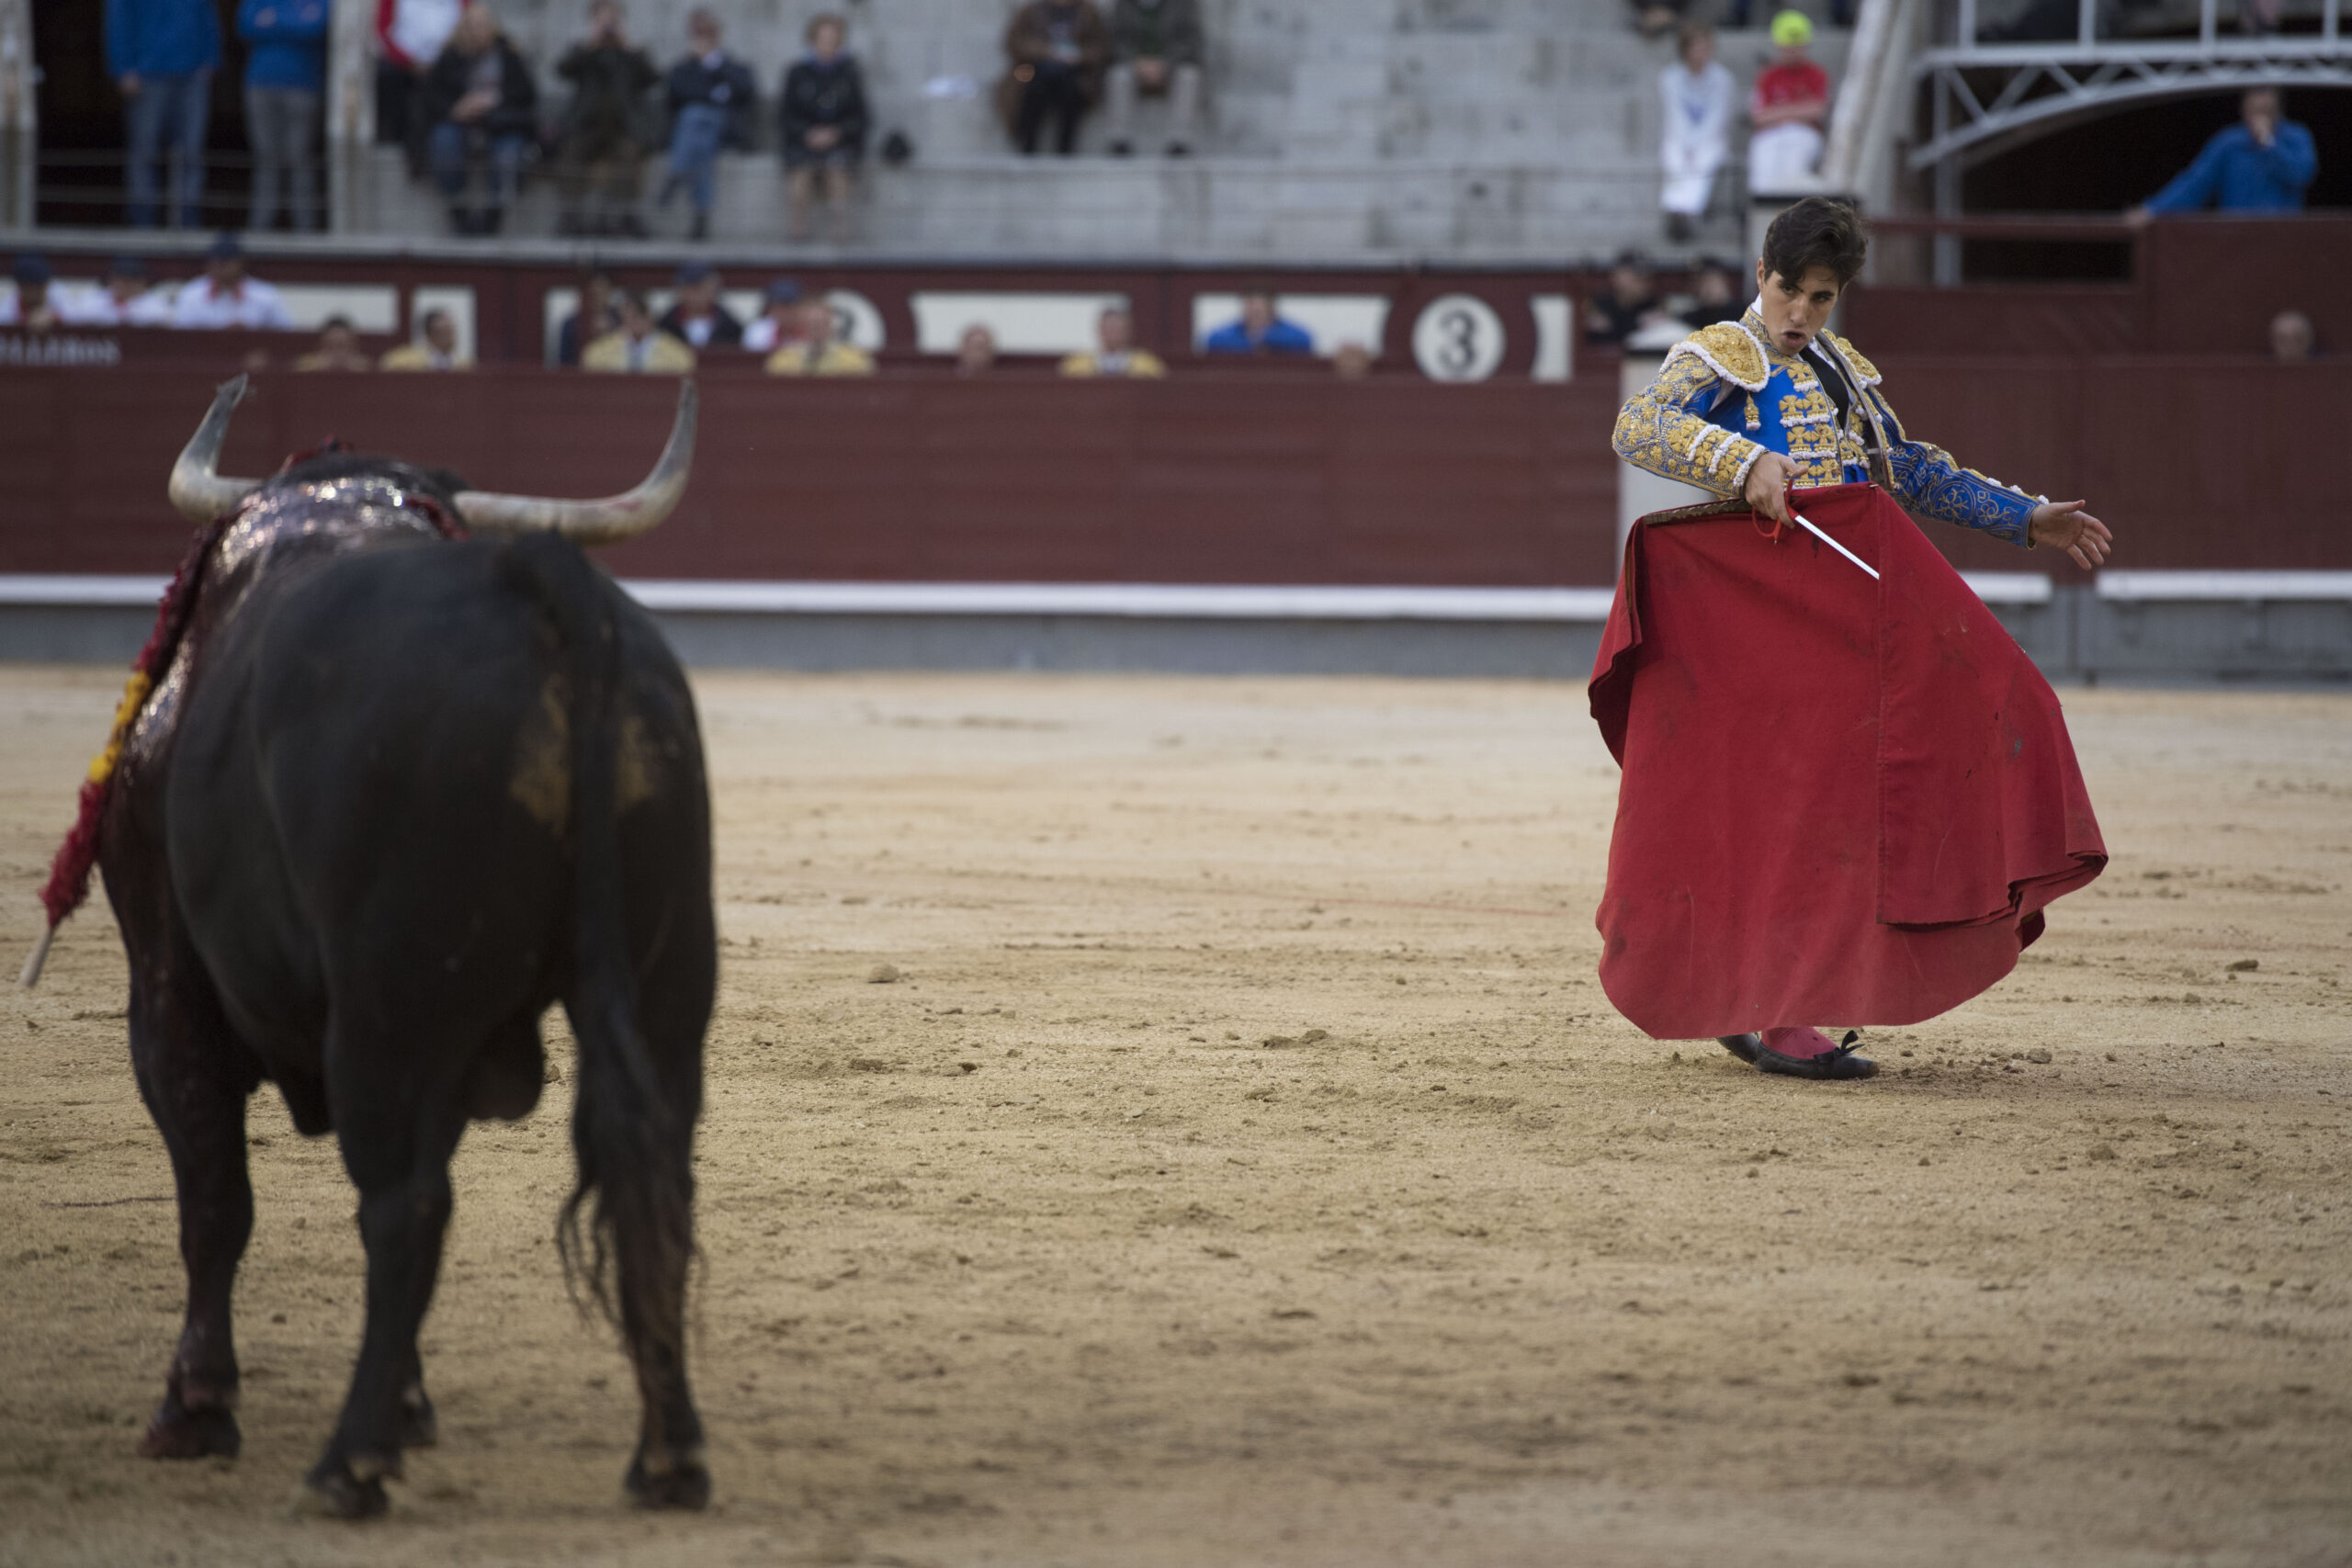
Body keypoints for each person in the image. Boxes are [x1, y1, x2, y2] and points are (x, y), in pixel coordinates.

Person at [1606, 197, 2113, 1079]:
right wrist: (1745, 462)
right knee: (1805, 810)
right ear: (1759, 275)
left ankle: (1761, 996)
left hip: (1839, 623)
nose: (1801, 313)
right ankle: (1783, 1010)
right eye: (1789, 291)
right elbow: (1637, 425)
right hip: (1756, 625)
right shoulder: (1724, 352)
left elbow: (1904, 469)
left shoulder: (1839, 368)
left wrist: (2025, 517)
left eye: (1821, 297)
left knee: (1836, 796)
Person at [422, 5, 539, 236]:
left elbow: (527, 95)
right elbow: (430, 97)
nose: (479, 31)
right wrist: (457, 108)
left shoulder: (509, 55)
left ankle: (495, 211)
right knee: (443, 142)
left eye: (484, 25)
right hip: (459, 124)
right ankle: (458, 207)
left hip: (501, 124)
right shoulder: (450, 56)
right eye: (473, 25)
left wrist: (495, 104)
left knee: (510, 150)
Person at [107, 0, 222, 228]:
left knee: (191, 152)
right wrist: (123, 67)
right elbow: (117, 20)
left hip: (192, 74)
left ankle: (187, 219)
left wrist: (211, 59)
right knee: (144, 152)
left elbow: (209, 15)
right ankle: (142, 222)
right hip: (147, 74)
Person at [2127, 88, 2317, 220]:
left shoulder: (2296, 137)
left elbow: (2302, 174)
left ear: (2278, 109)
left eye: (2264, 111)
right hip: (2238, 239)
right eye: (2254, 110)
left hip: (2283, 238)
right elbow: (2195, 184)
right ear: (2243, 109)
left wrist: (2269, 144)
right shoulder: (2229, 143)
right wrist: (2154, 210)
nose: (2258, 115)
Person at [555, 0, 661, 238]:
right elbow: (563, 70)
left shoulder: (631, 52)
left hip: (623, 126)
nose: (607, 25)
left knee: (630, 155)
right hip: (587, 126)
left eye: (612, 19)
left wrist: (629, 48)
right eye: (602, 19)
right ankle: (571, 217)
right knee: (571, 154)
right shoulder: (584, 49)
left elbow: (653, 79)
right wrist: (590, 45)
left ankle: (624, 217)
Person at [662, 8, 756, 242]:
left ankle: (677, 173)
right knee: (698, 135)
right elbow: (677, 96)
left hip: (725, 129)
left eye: (709, 32)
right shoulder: (683, 68)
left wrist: (715, 65)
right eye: (698, 33)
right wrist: (710, 89)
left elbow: (744, 91)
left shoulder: (733, 65)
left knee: (696, 117)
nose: (704, 38)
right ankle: (700, 219)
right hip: (695, 133)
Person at [237, 0, 328, 232]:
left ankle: (305, 230)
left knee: (299, 159)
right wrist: (294, 22)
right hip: (260, 86)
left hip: (303, 88)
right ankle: (260, 229)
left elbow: (316, 28)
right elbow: (245, 25)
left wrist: (273, 20)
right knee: (266, 159)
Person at [781, 15, 869, 243]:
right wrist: (807, 134)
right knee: (799, 182)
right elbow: (786, 115)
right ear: (812, 41)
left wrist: (836, 133)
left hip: (840, 144)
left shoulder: (849, 74)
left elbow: (860, 117)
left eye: (832, 40)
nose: (827, 45)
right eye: (822, 39)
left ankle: (840, 235)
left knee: (838, 175)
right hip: (803, 145)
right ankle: (798, 233)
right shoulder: (797, 73)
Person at [1001, 0, 1109, 157]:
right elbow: (1014, 43)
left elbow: (1102, 48)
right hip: (1032, 70)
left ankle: (1064, 147)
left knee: (1070, 87)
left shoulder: (1088, 13)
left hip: (1077, 73)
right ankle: (1028, 142)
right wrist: (1046, 52)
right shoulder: (1032, 11)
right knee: (1035, 84)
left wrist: (1077, 55)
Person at [1658, 23, 1734, 244]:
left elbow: (1717, 118)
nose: (1702, 52)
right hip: (1679, 139)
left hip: (1710, 139)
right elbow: (1675, 116)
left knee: (1704, 160)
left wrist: (1697, 144)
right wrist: (1686, 145)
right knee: (1674, 158)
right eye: (1697, 46)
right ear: (1685, 49)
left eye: (1706, 46)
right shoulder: (1669, 77)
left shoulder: (1723, 79)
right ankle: (1678, 212)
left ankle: (1686, 213)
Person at [1104, 0, 1203, 158]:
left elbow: (1192, 40)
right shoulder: (1123, 4)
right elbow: (1116, 39)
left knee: (1189, 75)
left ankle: (1179, 140)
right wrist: (1136, 63)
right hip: (1134, 65)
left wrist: (1166, 64)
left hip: (1171, 65)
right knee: (1118, 75)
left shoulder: (1184, 4)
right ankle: (1120, 140)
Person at [1747, 11, 1830, 196]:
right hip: (1770, 134)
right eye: (1789, 45)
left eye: (1798, 44)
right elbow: (1759, 116)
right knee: (1763, 169)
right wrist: (1796, 112)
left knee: (1793, 170)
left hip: (1804, 133)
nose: (1793, 49)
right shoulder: (1768, 76)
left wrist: (1780, 111)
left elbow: (1818, 110)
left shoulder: (1816, 74)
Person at [171, 232, 294, 328]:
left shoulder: (265, 295)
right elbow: (181, 334)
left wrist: (251, 334)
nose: (219, 269)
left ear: (240, 264)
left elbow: (284, 330)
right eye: (215, 264)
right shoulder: (192, 293)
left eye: (225, 264)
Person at [582, 288, 697, 373]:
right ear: (623, 315)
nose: (636, 320)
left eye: (641, 313)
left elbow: (685, 365)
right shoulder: (599, 351)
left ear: (651, 316)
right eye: (631, 314)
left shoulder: (676, 353)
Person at [764, 299, 873, 376]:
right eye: (811, 324)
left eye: (821, 324)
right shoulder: (783, 360)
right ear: (802, 325)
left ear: (831, 326)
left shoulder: (854, 360)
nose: (816, 329)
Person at [64, 254, 175, 325]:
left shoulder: (156, 303)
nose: (126, 285)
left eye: (132, 281)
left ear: (143, 282)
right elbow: (72, 316)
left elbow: (164, 319)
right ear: (111, 280)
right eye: (122, 280)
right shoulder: (96, 299)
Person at [657, 261, 743, 350]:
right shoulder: (665, 327)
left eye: (703, 287)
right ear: (680, 290)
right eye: (692, 288)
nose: (697, 295)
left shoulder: (731, 328)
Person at [1585, 254, 1667, 345]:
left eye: (1647, 278)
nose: (1643, 283)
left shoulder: (1652, 307)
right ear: (1616, 275)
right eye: (1635, 276)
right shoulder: (1599, 304)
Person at [1060, 306, 1166, 377]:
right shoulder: (1075, 364)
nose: (1112, 333)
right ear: (1099, 330)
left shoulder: (1148, 364)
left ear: (1128, 330)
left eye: (1116, 328)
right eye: (1107, 328)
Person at [1203, 291, 1312, 355]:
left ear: (1271, 309)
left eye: (1259, 311)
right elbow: (1214, 340)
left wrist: (1266, 338)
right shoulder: (1231, 331)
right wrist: (1250, 342)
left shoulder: (1288, 331)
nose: (1255, 315)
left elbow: (1303, 340)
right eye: (1251, 309)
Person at [557, 269, 616, 366]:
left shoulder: (621, 320)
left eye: (603, 291)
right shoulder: (571, 324)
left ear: (610, 292)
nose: (598, 297)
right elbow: (564, 363)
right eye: (594, 292)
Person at [380, 308, 472, 369]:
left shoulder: (463, 364)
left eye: (451, 332)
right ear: (430, 334)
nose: (450, 338)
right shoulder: (405, 360)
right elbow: (387, 364)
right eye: (443, 332)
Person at [740, 276, 806, 354]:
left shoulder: (811, 328)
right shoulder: (757, 332)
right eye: (780, 306)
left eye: (790, 306)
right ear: (771, 308)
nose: (785, 312)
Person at [0, 255, 61, 330]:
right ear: (20, 286)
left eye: (41, 287)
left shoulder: (58, 296)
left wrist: (52, 317)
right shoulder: (6, 309)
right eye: (32, 288)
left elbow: (72, 313)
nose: (37, 293)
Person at [1679, 256, 1743, 328]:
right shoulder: (1690, 320)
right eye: (1700, 283)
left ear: (1724, 281)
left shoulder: (1745, 315)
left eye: (1711, 281)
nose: (1707, 288)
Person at [294, 315, 373, 370]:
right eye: (330, 347)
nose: (337, 355)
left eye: (343, 347)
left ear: (354, 346)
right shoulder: (306, 364)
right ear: (321, 346)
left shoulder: (366, 366)